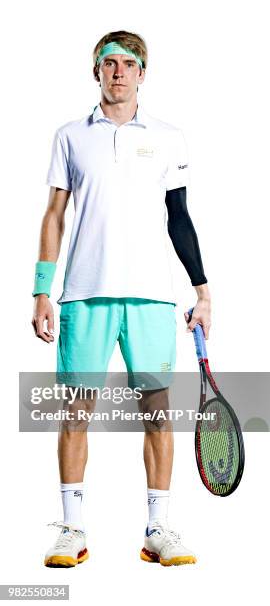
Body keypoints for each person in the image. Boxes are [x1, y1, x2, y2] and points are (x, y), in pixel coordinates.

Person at [32, 30, 211, 568]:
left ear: (141, 73)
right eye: (108, 63)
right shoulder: (69, 136)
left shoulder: (170, 137)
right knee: (75, 413)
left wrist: (202, 292)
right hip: (84, 295)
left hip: (153, 298)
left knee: (157, 414)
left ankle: (158, 529)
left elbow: (179, 218)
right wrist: (42, 289)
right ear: (97, 73)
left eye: (127, 64)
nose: (117, 72)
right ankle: (72, 530)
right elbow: (54, 215)